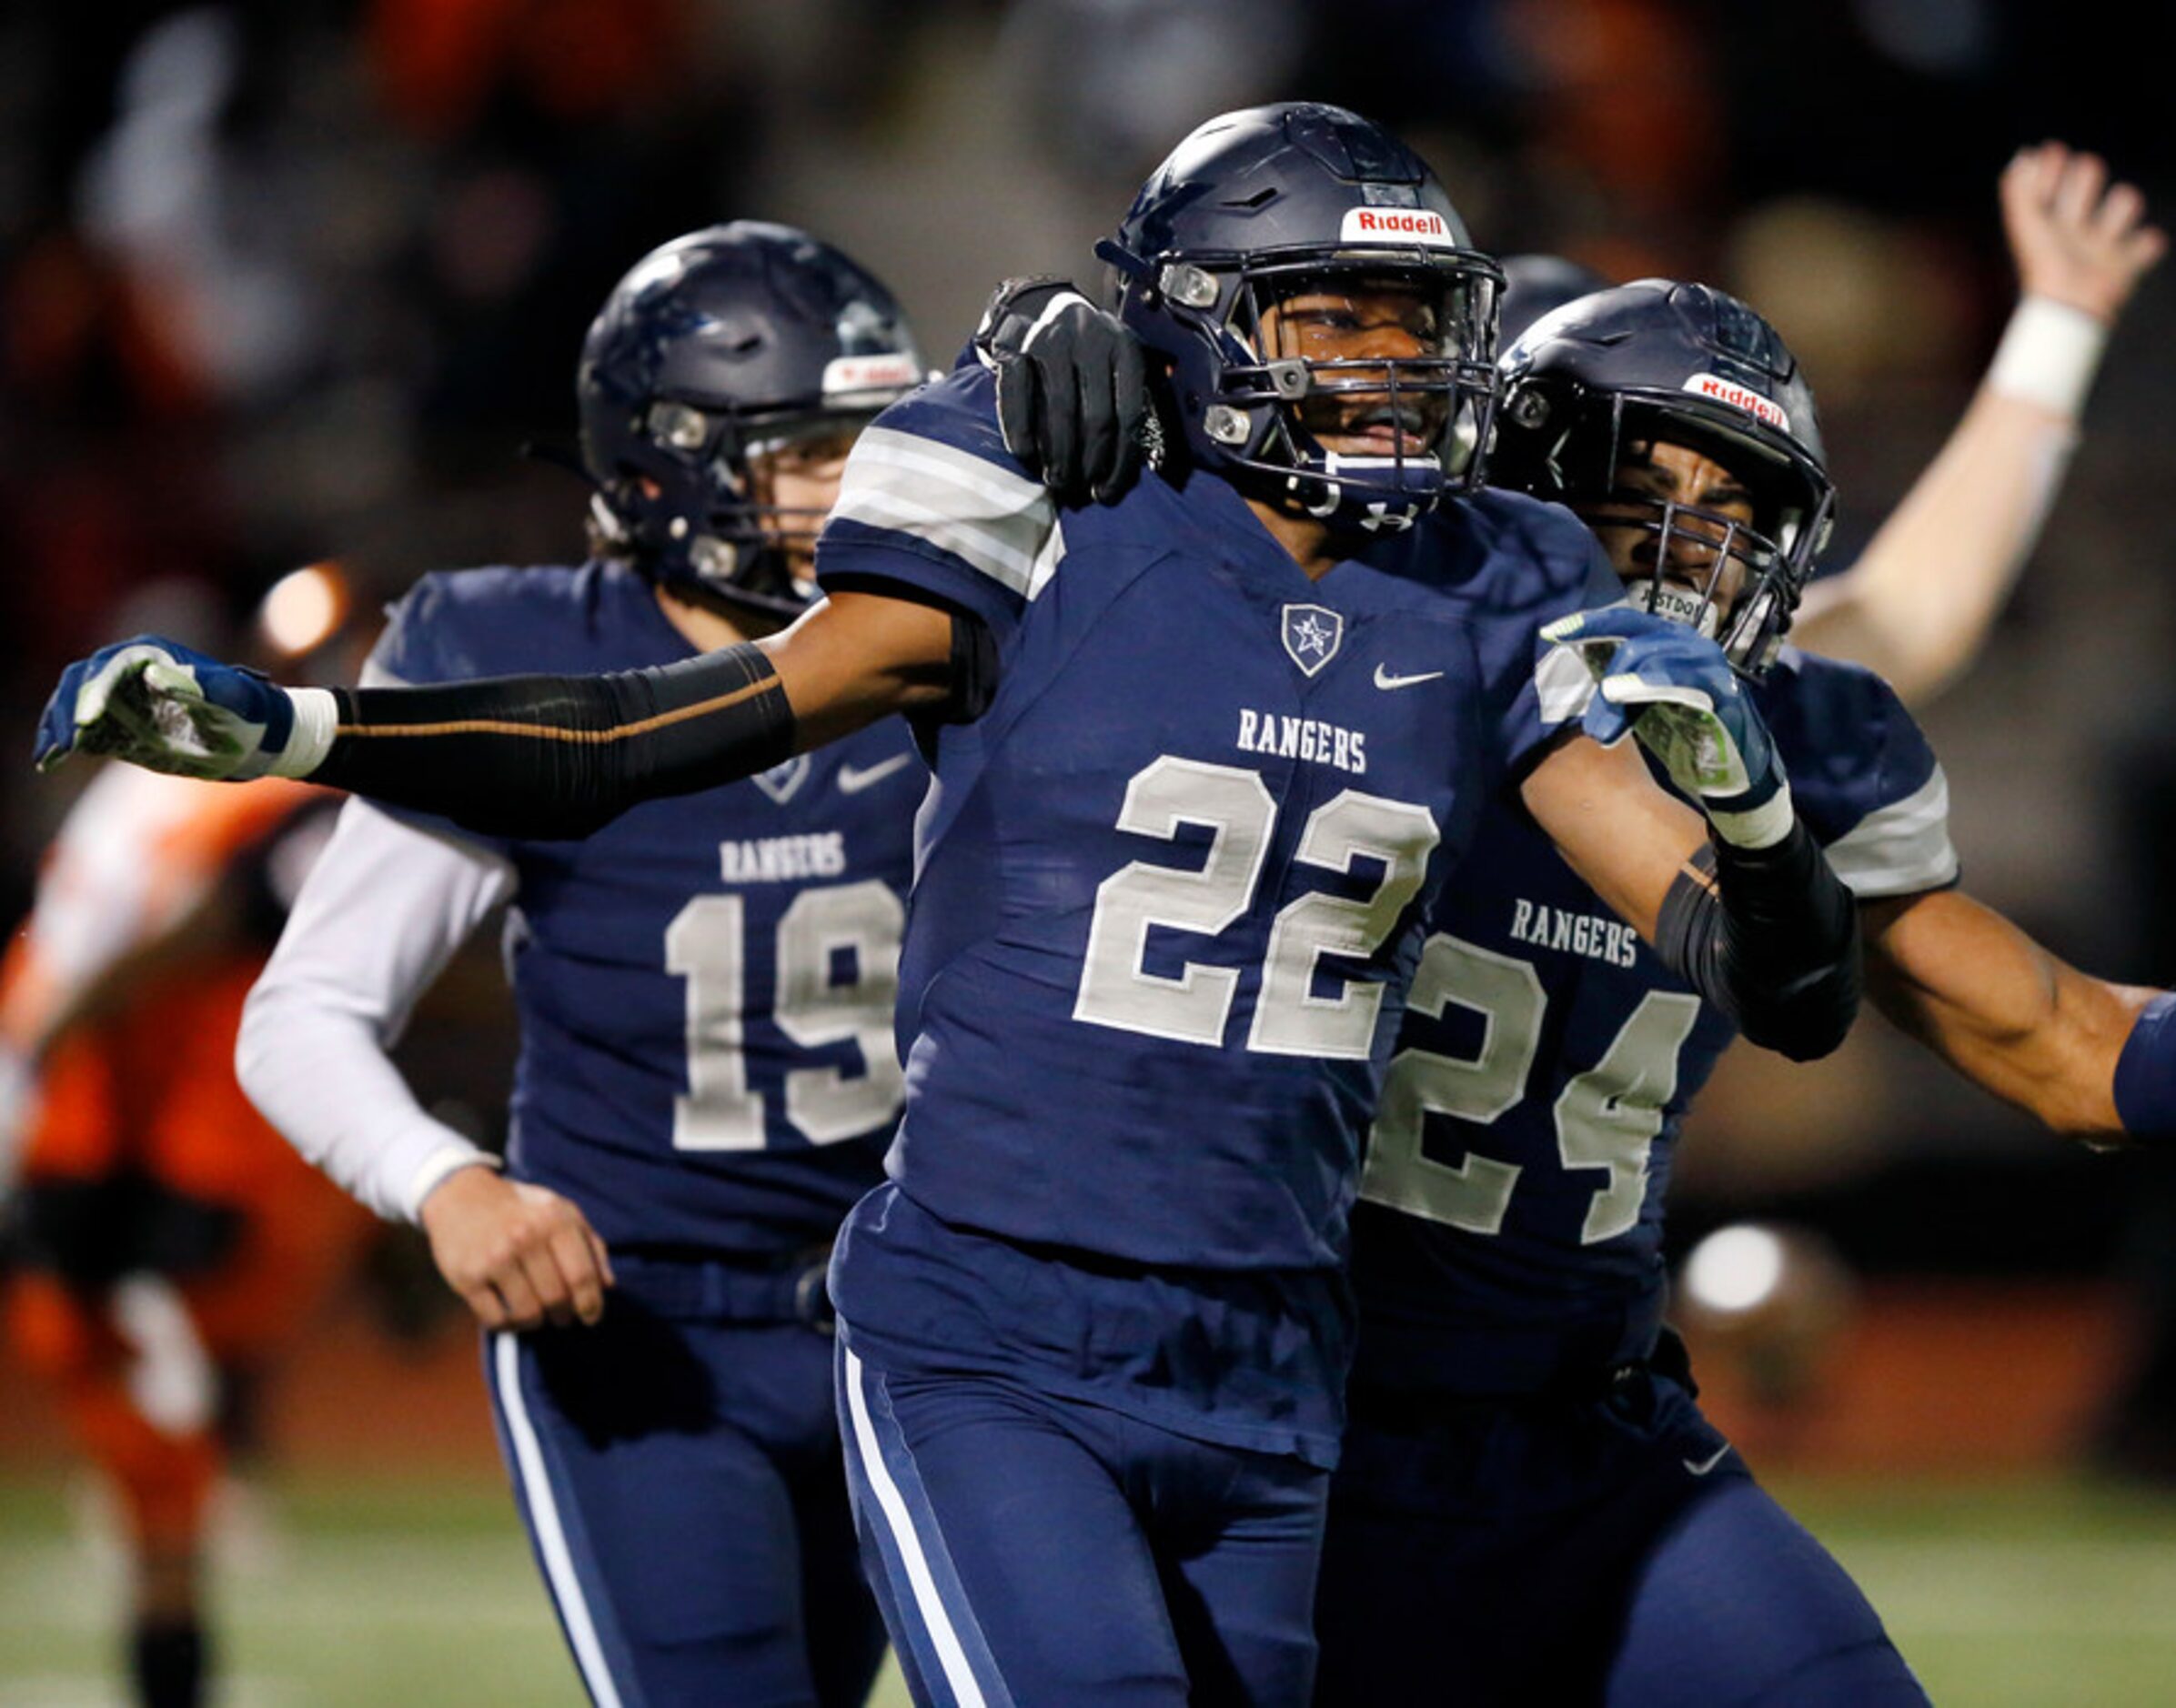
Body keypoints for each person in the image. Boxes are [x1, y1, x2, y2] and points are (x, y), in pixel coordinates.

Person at [36, 104, 1860, 1707]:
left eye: (1414, 326)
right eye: (1335, 320)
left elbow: (1763, 975)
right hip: (990, 1326)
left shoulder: (1493, 578)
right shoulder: (1045, 513)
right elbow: (642, 737)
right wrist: (314, 729)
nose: (1390, 370)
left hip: (1276, 1343)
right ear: (1210, 335)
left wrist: (1766, 821)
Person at [1314, 278, 2176, 1707]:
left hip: (1576, 1426)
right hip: (1303, 1416)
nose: (1687, 544)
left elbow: (2059, 1039)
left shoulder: (1786, 730)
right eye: (1641, 485)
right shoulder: (1365, 664)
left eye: (1732, 507)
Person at [231, 221, 932, 1708]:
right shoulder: (521, 657)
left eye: (870, 443)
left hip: (916, 1320)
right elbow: (307, 1009)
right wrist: (447, 1178)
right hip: (642, 1319)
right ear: (669, 466)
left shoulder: (954, 649)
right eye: (806, 450)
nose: (851, 491)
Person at [1502, 141, 2170, 703]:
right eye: (1636, 483)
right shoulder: (1414, 643)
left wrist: (2059, 326)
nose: (1679, 537)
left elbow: (1900, 620)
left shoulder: (1686, 684)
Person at [1, 758, 361, 1708]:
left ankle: (197, 1475)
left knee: (161, 1458)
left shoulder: (178, 811)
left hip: (134, 1150)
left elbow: (205, 921)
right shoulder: (187, 810)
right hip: (122, 1151)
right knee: (151, 1449)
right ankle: (194, 1477)